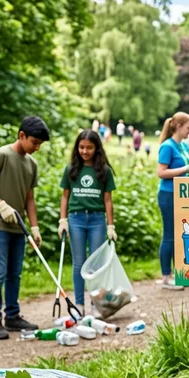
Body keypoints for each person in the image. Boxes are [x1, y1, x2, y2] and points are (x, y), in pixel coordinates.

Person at [0, 116, 50, 340]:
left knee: (14, 274)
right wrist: (0, 204)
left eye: (40, 144)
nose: (36, 148)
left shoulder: (31, 164)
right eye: (34, 142)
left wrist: (34, 227)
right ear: (21, 135)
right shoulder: (2, 155)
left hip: (19, 226)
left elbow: (29, 198)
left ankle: (13, 316)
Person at [58, 130, 116, 316]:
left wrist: (110, 225)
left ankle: (95, 304)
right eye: (81, 147)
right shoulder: (71, 169)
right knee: (79, 263)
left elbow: (108, 200)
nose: (85, 151)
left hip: (97, 219)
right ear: (77, 148)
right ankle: (79, 305)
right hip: (76, 219)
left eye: (89, 147)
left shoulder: (104, 171)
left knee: (95, 264)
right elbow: (65, 196)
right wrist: (63, 219)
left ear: (96, 148)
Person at [156, 112, 189, 289]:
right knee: (169, 235)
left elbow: (184, 170)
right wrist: (184, 169)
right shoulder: (167, 146)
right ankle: (166, 276)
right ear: (179, 127)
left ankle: (178, 272)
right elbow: (161, 172)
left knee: (180, 235)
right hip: (168, 194)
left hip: (182, 195)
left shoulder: (183, 146)